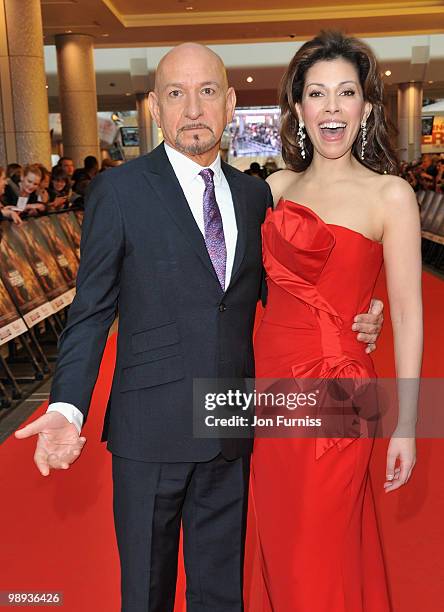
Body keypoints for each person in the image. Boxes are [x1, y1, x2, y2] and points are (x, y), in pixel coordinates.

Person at [15, 42, 383, 612]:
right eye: (176, 94)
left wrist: (361, 312)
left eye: (207, 92)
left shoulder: (255, 195)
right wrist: (66, 408)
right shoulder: (120, 191)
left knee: (221, 595)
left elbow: (285, 295)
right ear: (154, 108)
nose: (193, 109)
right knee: (147, 592)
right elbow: (89, 313)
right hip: (150, 431)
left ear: (230, 103)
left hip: (231, 429)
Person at [250, 31, 422, 611]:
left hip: (341, 393)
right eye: (317, 94)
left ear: (366, 107)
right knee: (278, 539)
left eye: (345, 93)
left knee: (315, 544)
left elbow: (406, 310)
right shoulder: (272, 190)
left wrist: (407, 425)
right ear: (298, 109)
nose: (331, 107)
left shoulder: (390, 195)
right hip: (268, 390)